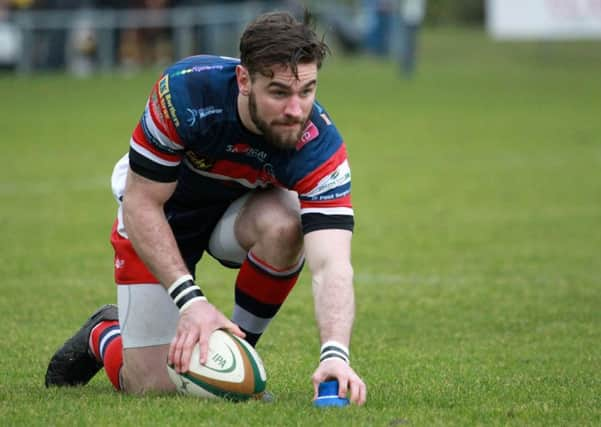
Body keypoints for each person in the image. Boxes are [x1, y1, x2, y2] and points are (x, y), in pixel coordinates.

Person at [45, 10, 367, 405]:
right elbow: (142, 203)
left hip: (235, 218)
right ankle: (104, 331)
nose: (295, 110)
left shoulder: (320, 146)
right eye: (279, 92)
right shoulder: (185, 93)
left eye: (307, 91)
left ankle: (240, 350)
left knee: (287, 221)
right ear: (244, 81)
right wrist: (192, 302)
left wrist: (335, 353)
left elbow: (332, 262)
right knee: (151, 386)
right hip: (160, 215)